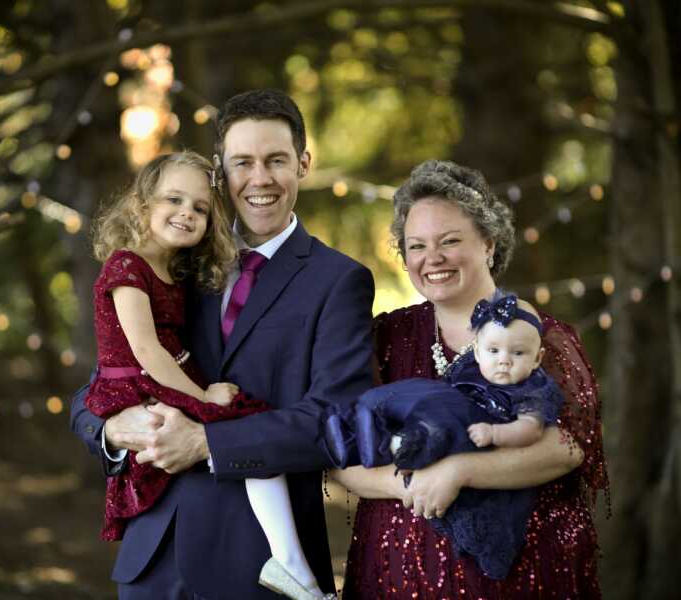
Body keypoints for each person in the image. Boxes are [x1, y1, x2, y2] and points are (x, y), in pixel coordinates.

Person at [70, 90, 375, 600]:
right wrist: (111, 431)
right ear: (220, 171)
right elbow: (106, 377)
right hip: (154, 559)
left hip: (259, 566)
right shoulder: (177, 262)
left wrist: (208, 443)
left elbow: (333, 419)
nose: (259, 179)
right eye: (243, 163)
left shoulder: (337, 281)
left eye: (276, 160)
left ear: (303, 162)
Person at [332, 160, 608, 598]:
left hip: (520, 576)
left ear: (489, 244)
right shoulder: (384, 336)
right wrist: (412, 484)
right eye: (417, 246)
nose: (432, 258)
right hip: (395, 576)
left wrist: (460, 470)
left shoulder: (539, 337)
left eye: (450, 241)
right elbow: (341, 453)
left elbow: (570, 447)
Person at [322, 294, 562, 580]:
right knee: (425, 397)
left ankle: (397, 441)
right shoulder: (467, 369)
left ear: (538, 358)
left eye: (518, 354)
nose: (504, 362)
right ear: (478, 349)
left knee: (440, 416)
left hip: (478, 443)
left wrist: (494, 433)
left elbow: (539, 432)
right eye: (494, 351)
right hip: (445, 433)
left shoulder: (533, 389)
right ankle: (359, 426)